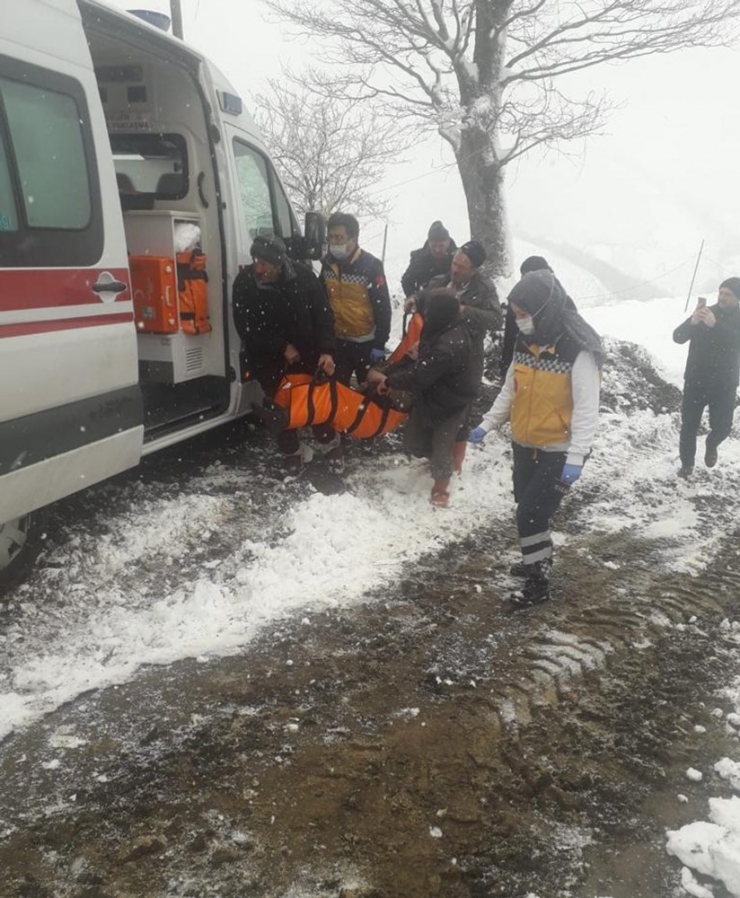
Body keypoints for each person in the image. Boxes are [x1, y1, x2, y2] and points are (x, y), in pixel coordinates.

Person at [469, 270, 603, 607]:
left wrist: (576, 457)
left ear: (544, 310)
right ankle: (536, 559)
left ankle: (538, 583)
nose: (519, 321)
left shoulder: (577, 349)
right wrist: (487, 424)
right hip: (525, 443)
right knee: (529, 509)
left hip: (559, 449)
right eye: (515, 314)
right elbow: (510, 389)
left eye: (524, 314)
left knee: (531, 513)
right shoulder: (524, 342)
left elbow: (587, 408)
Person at [233, 234, 342, 474]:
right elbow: (245, 327)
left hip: (308, 352)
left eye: (264, 263)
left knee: (315, 403)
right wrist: (281, 346)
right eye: (255, 261)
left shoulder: (304, 277)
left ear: (279, 262)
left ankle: (331, 444)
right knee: (278, 409)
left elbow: (324, 316)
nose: (258, 269)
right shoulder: (245, 282)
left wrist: (327, 351)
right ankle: (292, 451)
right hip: (267, 356)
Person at [366, 288, 477, 507]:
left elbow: (420, 375)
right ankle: (441, 460)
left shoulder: (448, 344)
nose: (425, 314)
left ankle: (441, 488)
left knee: (442, 444)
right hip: (431, 395)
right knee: (414, 442)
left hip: (452, 401)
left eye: (428, 311)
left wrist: (389, 382)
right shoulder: (440, 326)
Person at [428, 239, 503, 475]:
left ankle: (456, 459)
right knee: (433, 403)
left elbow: (496, 319)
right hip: (438, 351)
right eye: (454, 263)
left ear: (474, 270)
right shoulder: (440, 281)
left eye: (462, 267)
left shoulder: (484, 289)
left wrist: (466, 311)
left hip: (468, 357)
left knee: (461, 409)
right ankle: (434, 456)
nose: (455, 270)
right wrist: (416, 300)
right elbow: (426, 301)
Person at [673, 277, 740, 478]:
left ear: (737, 298)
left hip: (724, 383)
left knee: (723, 427)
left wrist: (715, 325)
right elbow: (677, 337)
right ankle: (687, 465)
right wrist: (692, 322)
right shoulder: (705, 312)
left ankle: (712, 443)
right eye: (720, 292)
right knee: (689, 426)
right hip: (696, 380)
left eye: (727, 294)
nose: (722, 297)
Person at [321, 212, 392, 386]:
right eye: (331, 237)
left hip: (365, 342)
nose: (334, 242)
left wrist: (380, 343)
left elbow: (383, 307)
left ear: (353, 238)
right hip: (339, 341)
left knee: (370, 392)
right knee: (336, 390)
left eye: (339, 237)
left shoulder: (371, 266)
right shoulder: (327, 265)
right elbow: (321, 302)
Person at [499, 255, 578, 379]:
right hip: (522, 368)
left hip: (553, 372)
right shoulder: (518, 303)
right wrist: (505, 371)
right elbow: (510, 339)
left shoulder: (564, 304)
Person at [401, 220, 457, 308]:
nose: (437, 250)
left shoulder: (459, 258)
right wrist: (413, 297)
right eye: (434, 246)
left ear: (448, 242)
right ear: (429, 243)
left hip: (452, 306)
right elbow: (407, 280)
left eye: (441, 246)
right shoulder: (419, 258)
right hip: (426, 306)